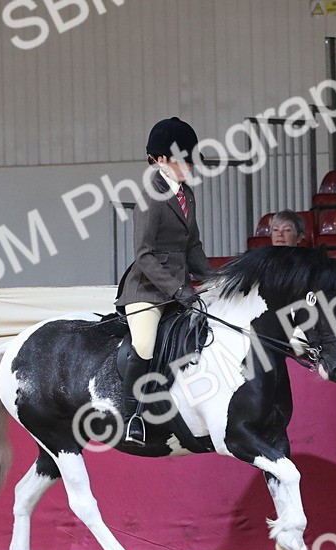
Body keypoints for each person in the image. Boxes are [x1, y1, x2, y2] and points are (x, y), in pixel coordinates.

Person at [114, 117, 211, 445]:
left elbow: (193, 245)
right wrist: (177, 289)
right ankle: (133, 418)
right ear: (158, 160)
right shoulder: (149, 197)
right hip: (148, 291)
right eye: (180, 160)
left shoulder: (187, 195)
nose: (188, 166)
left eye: (189, 159)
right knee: (144, 344)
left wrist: (213, 280)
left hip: (180, 289)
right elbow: (144, 255)